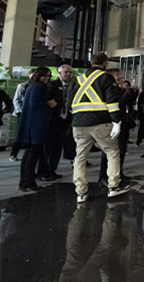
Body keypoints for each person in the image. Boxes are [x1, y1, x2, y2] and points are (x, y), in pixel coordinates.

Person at [70, 53, 129, 204]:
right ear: (105, 63)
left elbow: (70, 102)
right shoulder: (105, 78)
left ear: (91, 62)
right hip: (100, 123)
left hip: (78, 124)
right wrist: (116, 121)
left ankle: (81, 192)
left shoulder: (77, 79)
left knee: (80, 157)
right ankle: (114, 186)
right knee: (112, 152)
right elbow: (112, 102)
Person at [15, 67, 57, 192]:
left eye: (49, 76)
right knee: (33, 154)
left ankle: (25, 181)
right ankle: (28, 181)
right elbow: (36, 103)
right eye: (45, 75)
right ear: (39, 75)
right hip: (37, 126)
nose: (48, 78)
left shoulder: (32, 86)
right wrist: (49, 104)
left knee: (29, 154)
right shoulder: (40, 87)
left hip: (31, 125)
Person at [99, 76, 138, 186]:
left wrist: (134, 92)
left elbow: (129, 102)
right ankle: (104, 176)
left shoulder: (121, 90)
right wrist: (127, 94)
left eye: (121, 77)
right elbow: (119, 102)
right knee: (109, 151)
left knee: (122, 149)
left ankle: (118, 171)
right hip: (113, 123)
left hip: (124, 122)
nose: (120, 79)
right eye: (118, 77)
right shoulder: (110, 90)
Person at [41, 64, 73, 181]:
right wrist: (56, 108)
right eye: (66, 72)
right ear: (60, 74)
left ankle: (52, 169)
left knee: (58, 147)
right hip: (53, 120)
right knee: (48, 147)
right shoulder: (53, 85)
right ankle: (44, 171)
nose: (68, 74)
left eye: (70, 72)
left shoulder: (71, 86)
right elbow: (48, 99)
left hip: (64, 121)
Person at [10, 68, 35, 161]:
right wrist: (20, 112)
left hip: (32, 114)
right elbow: (16, 100)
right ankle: (13, 153)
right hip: (22, 113)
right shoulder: (22, 86)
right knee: (19, 134)